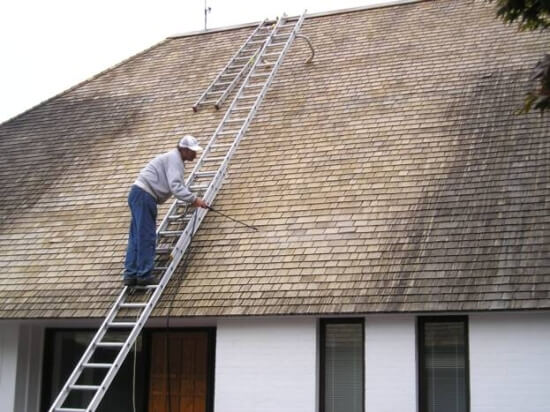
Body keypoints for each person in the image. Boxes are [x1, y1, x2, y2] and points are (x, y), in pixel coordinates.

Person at [123, 135, 209, 286]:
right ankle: (143, 275)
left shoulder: (173, 158)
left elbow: (177, 186)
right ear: (183, 150)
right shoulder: (175, 160)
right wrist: (195, 200)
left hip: (138, 194)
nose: (195, 154)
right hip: (145, 196)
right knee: (146, 236)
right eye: (192, 151)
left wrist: (189, 198)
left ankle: (131, 275)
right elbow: (175, 187)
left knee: (136, 236)